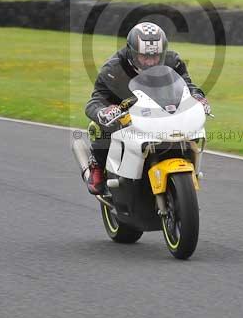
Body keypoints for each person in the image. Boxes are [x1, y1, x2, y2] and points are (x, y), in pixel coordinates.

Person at [83, 21, 210, 194]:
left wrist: (198, 98)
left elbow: (188, 86)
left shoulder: (174, 61)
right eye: (145, 56)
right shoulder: (113, 68)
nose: (150, 62)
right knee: (98, 126)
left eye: (155, 56)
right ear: (132, 52)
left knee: (189, 125)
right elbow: (95, 101)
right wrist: (104, 111)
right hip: (125, 113)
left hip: (161, 110)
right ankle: (97, 165)